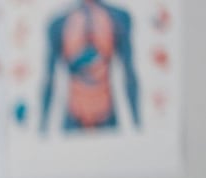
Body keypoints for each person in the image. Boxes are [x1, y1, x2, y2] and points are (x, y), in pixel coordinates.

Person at [39, 0, 140, 134]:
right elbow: (49, 79)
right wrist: (42, 127)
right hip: (74, 116)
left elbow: (129, 73)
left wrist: (138, 124)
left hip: (106, 115)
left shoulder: (118, 17)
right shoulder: (59, 23)